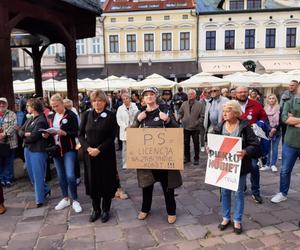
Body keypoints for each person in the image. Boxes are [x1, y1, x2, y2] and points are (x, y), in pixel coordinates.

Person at [132, 87, 182, 224]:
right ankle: (145, 209)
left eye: (151, 94)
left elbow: (177, 130)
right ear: (143, 98)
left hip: (164, 157)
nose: (149, 97)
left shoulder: (165, 111)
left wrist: (168, 121)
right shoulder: (140, 113)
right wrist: (137, 121)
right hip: (147, 157)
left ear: (156, 96)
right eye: (146, 95)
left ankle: (171, 211)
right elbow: (130, 134)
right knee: (147, 185)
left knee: (167, 186)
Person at [212, 100, 260, 235]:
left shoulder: (244, 127)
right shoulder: (219, 126)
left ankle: (237, 219)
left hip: (240, 166)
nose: (224, 113)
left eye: (228, 110)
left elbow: (255, 144)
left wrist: (246, 151)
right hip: (223, 166)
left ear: (236, 112)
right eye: (224, 110)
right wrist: (211, 147)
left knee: (239, 193)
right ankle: (226, 217)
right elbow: (213, 142)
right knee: (224, 192)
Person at [79, 90, 118, 223]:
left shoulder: (111, 115)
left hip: (106, 154)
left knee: (106, 181)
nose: (97, 103)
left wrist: (99, 149)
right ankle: (96, 209)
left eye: (100, 100)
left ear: (105, 102)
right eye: (95, 100)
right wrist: (88, 148)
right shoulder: (86, 115)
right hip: (90, 155)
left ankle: (106, 209)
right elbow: (80, 135)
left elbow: (112, 136)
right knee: (93, 181)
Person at [49, 94, 82, 213]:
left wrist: (65, 133)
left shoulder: (71, 115)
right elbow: (49, 128)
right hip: (56, 149)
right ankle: (65, 198)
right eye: (53, 106)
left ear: (62, 104)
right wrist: (47, 134)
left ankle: (75, 199)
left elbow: (77, 132)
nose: (55, 108)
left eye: (57, 106)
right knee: (61, 176)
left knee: (70, 175)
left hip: (69, 148)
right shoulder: (51, 116)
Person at [235, 86, 268, 204]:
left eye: (244, 92)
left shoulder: (256, 104)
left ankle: (256, 192)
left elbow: (264, 118)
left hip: (252, 143)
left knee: (254, 167)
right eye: (240, 92)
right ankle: (242, 187)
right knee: (238, 166)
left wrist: (259, 124)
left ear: (248, 92)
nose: (242, 94)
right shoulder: (233, 105)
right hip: (237, 143)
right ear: (235, 94)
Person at [19, 98, 51, 207]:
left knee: (38, 175)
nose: (26, 107)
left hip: (38, 150)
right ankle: (46, 189)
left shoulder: (41, 120)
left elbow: (34, 137)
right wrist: (25, 134)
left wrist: (25, 135)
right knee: (31, 175)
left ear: (33, 107)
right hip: (27, 149)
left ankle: (39, 199)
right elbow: (20, 131)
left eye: (28, 106)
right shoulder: (30, 119)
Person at [271, 84, 300, 203]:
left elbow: (290, 119)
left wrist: (294, 120)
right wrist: (290, 120)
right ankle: (283, 193)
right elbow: (285, 118)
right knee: (285, 170)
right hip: (290, 143)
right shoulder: (290, 102)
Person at [178, 89, 205, 165]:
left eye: (191, 94)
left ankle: (196, 158)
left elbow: (202, 116)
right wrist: (179, 118)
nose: (190, 95)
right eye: (189, 94)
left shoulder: (200, 104)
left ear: (195, 95)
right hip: (185, 127)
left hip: (195, 128)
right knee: (186, 144)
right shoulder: (184, 104)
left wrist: (197, 122)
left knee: (196, 143)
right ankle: (187, 158)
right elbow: (180, 112)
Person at [260, 94, 280, 172]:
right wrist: (269, 129)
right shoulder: (265, 108)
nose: (271, 100)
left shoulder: (279, 108)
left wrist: (274, 128)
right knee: (267, 148)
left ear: (275, 100)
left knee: (274, 148)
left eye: (273, 98)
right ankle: (267, 164)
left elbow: (281, 120)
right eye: (270, 98)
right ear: (267, 100)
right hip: (267, 131)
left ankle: (273, 164)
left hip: (277, 131)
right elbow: (264, 120)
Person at [63, 98, 81, 185]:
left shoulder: (73, 113)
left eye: (69, 106)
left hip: (75, 140)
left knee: (75, 158)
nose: (68, 108)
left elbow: (78, 127)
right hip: (69, 140)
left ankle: (77, 176)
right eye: (66, 106)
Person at [0, 97, 17, 187]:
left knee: (9, 161)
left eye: (3, 103)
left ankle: (8, 179)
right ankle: (1, 179)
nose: (1, 105)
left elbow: (13, 126)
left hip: (10, 142)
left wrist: (4, 134)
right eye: (0, 103)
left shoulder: (12, 114)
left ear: (7, 105)